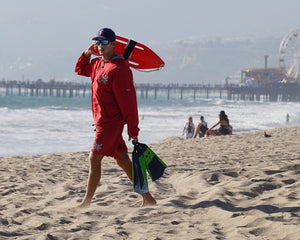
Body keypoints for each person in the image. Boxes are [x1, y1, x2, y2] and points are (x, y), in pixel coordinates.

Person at [73, 27, 156, 208]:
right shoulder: (97, 64)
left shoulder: (120, 69)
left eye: (104, 42)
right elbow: (79, 69)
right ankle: (148, 198)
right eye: (97, 42)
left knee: (94, 159)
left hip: (110, 124)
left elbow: (129, 103)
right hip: (102, 122)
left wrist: (133, 129)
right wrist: (87, 53)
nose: (100, 46)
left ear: (113, 44)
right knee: (122, 159)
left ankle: (86, 203)